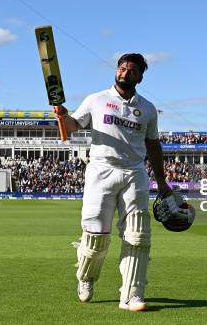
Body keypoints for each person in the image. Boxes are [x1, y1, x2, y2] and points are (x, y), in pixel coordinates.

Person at [55, 53, 174, 311]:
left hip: (134, 174)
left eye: (131, 70)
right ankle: (85, 277)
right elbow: (73, 126)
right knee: (96, 239)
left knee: (138, 236)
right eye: (121, 68)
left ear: (140, 76)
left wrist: (162, 182)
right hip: (101, 171)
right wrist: (62, 116)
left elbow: (153, 147)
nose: (124, 72)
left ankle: (132, 294)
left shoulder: (148, 109)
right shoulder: (96, 100)